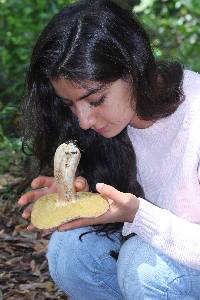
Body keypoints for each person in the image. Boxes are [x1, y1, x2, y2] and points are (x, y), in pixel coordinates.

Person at [18, 0, 200, 299]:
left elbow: (141, 221)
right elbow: (126, 203)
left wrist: (137, 215)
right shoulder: (107, 126)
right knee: (71, 251)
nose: (84, 121)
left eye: (96, 100)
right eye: (70, 105)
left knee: (143, 265)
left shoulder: (195, 113)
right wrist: (82, 194)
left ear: (133, 67)